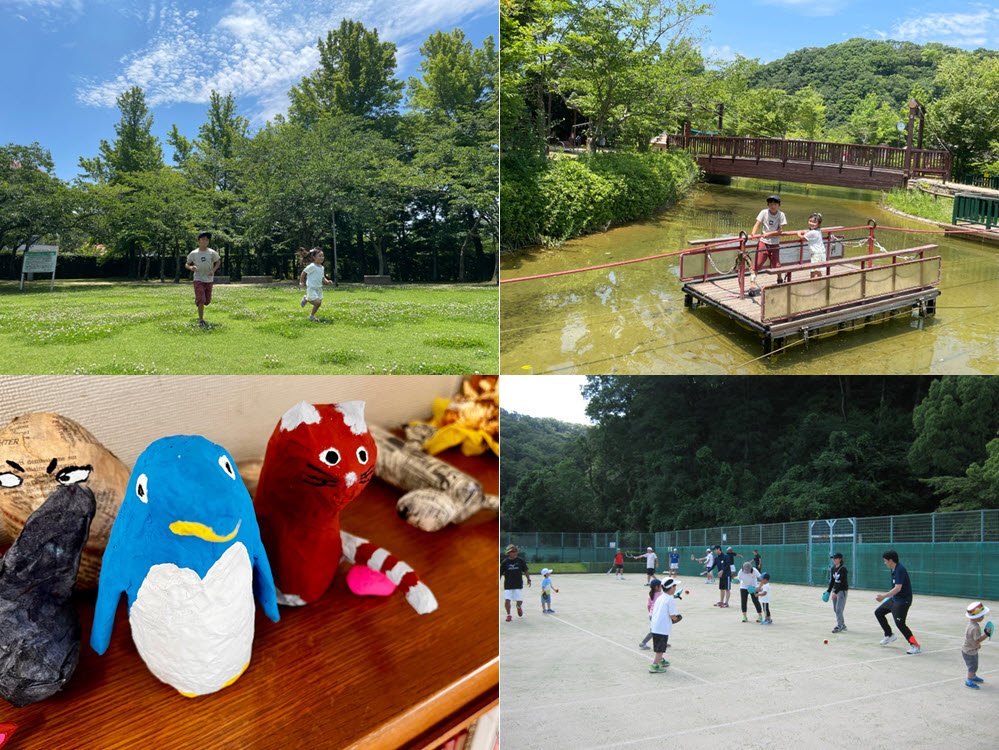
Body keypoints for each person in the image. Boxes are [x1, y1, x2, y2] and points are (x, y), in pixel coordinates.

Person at [874, 550, 920, 654]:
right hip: (895, 599)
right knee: (878, 612)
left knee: (900, 623)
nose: (884, 563)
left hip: (903, 601)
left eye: (885, 561)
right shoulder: (893, 569)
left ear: (890, 560)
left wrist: (883, 597)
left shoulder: (900, 570)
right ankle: (889, 635)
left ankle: (915, 645)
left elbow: (898, 588)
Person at [749, 194, 787, 293]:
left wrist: (769, 234)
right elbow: (757, 223)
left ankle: (779, 279)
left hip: (774, 243)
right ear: (768, 204)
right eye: (770, 203)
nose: (773, 205)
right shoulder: (764, 212)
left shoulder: (781, 215)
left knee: (776, 265)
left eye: (775, 204)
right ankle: (752, 285)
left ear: (779, 205)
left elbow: (780, 230)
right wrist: (753, 233)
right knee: (757, 264)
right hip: (763, 242)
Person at [185, 231, 221, 327]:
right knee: (201, 300)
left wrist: (213, 270)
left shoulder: (211, 252)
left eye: (207, 239)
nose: (205, 241)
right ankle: (201, 320)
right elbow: (187, 263)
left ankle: (199, 298)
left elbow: (218, 262)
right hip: (198, 279)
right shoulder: (194, 253)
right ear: (198, 240)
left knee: (207, 301)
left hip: (209, 279)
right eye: (203, 239)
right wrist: (190, 267)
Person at [648, 578, 682, 673]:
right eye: (674, 586)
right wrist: (676, 619)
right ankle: (654, 665)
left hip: (655, 626)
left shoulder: (660, 597)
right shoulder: (670, 600)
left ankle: (661, 660)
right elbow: (672, 616)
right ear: (671, 587)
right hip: (662, 628)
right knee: (660, 649)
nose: (675, 588)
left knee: (659, 646)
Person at [298, 247, 333, 322]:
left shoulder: (322, 267)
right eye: (319, 256)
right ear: (314, 257)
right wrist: (301, 282)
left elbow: (322, 277)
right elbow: (303, 272)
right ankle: (306, 299)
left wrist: (327, 281)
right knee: (317, 302)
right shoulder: (312, 266)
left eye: (322, 256)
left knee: (318, 304)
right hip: (312, 288)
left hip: (319, 288)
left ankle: (311, 316)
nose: (322, 257)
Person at [963, 601, 992, 689]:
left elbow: (971, 639)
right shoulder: (975, 628)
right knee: (972, 666)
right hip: (969, 651)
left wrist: (976, 645)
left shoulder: (971, 624)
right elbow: (978, 639)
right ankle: (969, 681)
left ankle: (973, 676)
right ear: (978, 617)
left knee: (974, 665)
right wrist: (986, 634)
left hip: (969, 649)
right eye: (982, 615)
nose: (983, 617)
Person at [500, 544, 531, 622]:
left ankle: (518, 607)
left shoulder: (520, 561)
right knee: (507, 600)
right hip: (508, 584)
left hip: (517, 584)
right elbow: (500, 573)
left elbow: (526, 570)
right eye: (513, 551)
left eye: (515, 551)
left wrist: (529, 579)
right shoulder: (505, 562)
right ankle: (509, 615)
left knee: (519, 601)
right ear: (509, 553)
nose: (515, 553)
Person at [792, 213, 826, 279]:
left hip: (816, 254)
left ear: (819, 224)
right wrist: (807, 233)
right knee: (818, 271)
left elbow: (802, 237)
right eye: (810, 221)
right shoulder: (818, 231)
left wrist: (798, 233)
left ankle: (813, 285)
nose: (811, 223)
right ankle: (820, 283)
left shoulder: (812, 232)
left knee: (813, 271)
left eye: (814, 222)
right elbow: (809, 234)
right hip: (821, 253)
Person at [639, 579, 664, 650]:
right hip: (657, 616)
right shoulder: (661, 595)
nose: (661, 587)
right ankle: (643, 643)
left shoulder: (650, 595)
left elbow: (648, 605)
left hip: (652, 615)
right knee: (654, 631)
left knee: (660, 629)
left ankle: (662, 642)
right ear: (657, 587)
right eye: (660, 586)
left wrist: (651, 613)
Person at [827, 552, 849, 633]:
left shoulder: (843, 569)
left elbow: (843, 582)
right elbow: (832, 581)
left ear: (840, 559)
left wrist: (835, 592)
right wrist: (829, 591)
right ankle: (842, 624)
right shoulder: (833, 569)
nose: (834, 560)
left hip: (842, 591)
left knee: (839, 608)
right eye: (833, 558)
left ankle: (839, 625)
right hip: (835, 591)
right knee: (835, 609)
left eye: (835, 558)